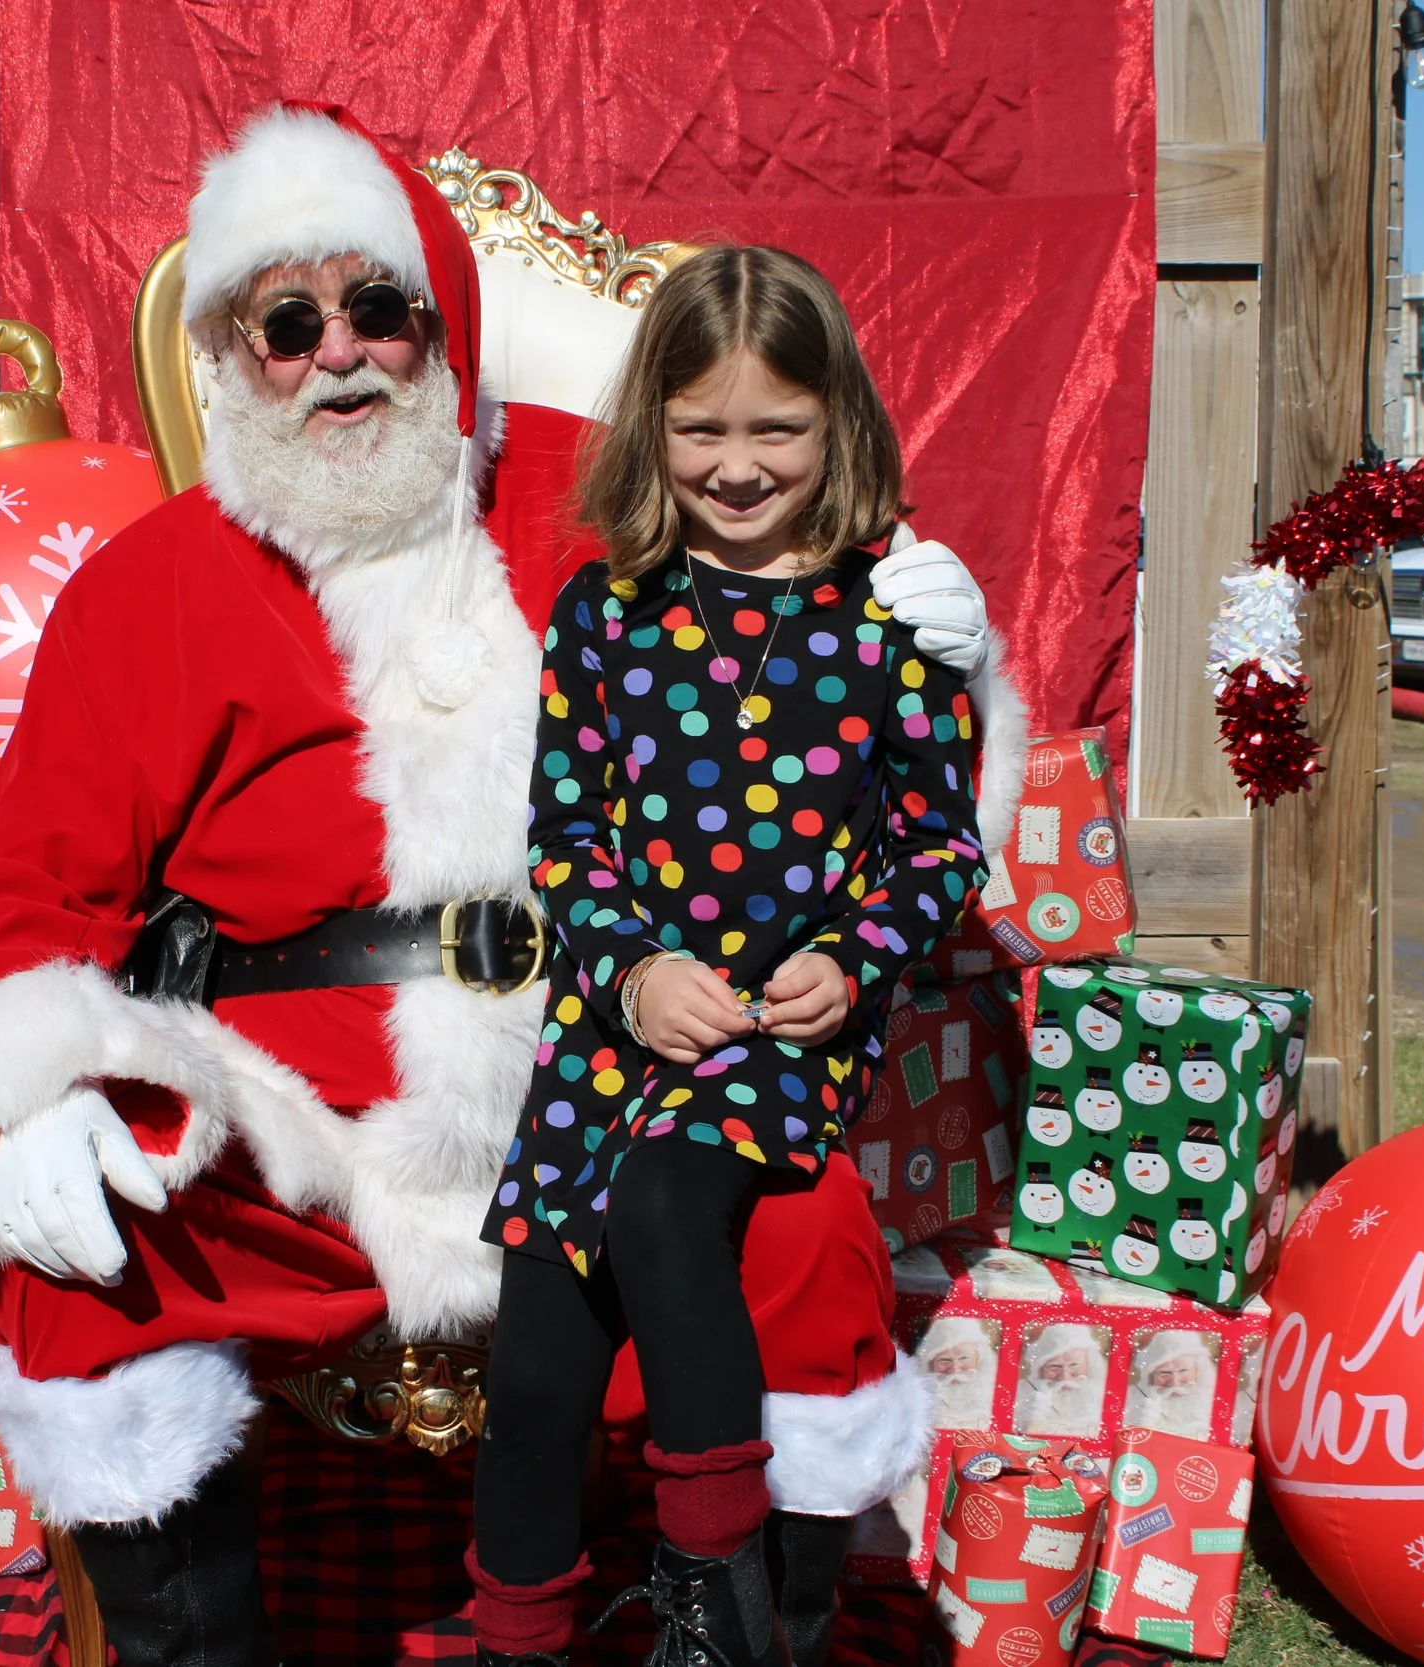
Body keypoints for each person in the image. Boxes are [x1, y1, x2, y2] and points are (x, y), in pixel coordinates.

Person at [0, 104, 1008, 1667]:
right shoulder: (150, 585)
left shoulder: (599, 496)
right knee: (95, 1251)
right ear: (230, 352)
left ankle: (742, 1633)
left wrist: (932, 633)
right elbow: (23, 877)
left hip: (615, 1051)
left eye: (379, 308)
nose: (340, 354)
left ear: (445, 322)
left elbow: (804, 598)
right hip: (293, 1104)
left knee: (797, 1227)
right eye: (290, 323)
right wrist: (29, 1096)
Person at [466, 245, 985, 1667]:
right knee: (536, 1369)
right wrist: (633, 972)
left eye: (778, 429)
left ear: (839, 422)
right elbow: (566, 838)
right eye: (702, 428)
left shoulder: (892, 620)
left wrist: (855, 958)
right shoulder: (606, 609)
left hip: (777, 1030)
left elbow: (941, 850)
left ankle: (712, 1603)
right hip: (612, 1026)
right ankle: (517, 1641)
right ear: (653, 424)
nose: (738, 465)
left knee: (662, 1200)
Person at [1015, 1323, 1109, 1437]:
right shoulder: (1019, 1394)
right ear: (1040, 1368)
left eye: (1074, 1365)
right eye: (1055, 1367)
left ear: (1089, 1363)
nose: (1065, 1377)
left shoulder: (1106, 1396)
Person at [1123, 1329, 1218, 1441]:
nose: (1174, 1383)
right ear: (1151, 1375)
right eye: (1165, 1373)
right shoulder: (1129, 1400)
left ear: (1198, 1370)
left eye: (1183, 1371)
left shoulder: (1217, 1403)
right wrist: (1135, 1426)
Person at [918, 1315, 1000, 1432]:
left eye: (964, 1358)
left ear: (978, 1357)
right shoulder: (920, 1393)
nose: (954, 1369)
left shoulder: (992, 1389)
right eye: (945, 1360)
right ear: (931, 1362)